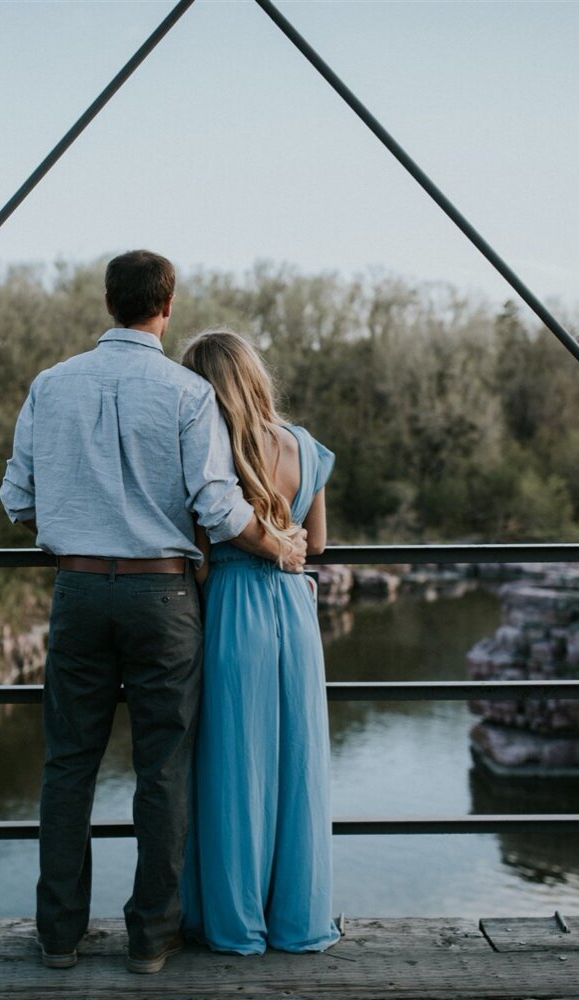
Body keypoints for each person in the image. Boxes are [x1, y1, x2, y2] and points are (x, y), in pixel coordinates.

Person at [0, 251, 308, 975]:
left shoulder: (50, 385)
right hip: (163, 597)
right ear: (166, 308)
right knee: (162, 769)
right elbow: (217, 508)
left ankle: (58, 936)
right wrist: (283, 550)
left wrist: (81, 512)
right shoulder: (186, 394)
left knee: (68, 764)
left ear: (109, 302)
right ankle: (150, 940)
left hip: (77, 593)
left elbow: (18, 500)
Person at [177, 328, 342, 956]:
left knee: (233, 765)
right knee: (297, 763)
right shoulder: (305, 447)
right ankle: (298, 921)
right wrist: (286, 534)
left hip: (229, 609)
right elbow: (318, 544)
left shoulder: (206, 455)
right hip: (293, 611)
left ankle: (235, 925)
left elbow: (197, 549)